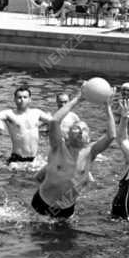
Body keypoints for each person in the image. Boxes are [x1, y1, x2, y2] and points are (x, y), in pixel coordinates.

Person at [32, 89, 117, 219]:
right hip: (43, 202)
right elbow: (54, 121)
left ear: (88, 136)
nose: (80, 131)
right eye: (76, 128)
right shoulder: (58, 147)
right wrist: (78, 99)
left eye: (84, 129)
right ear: (67, 134)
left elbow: (111, 136)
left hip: (66, 207)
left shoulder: (90, 151)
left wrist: (107, 107)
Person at [0, 85, 51, 163]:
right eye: (19, 97)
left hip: (34, 160)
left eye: (25, 97)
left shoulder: (37, 113)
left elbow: (54, 121)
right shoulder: (9, 114)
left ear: (30, 99)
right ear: (14, 99)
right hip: (17, 160)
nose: (22, 100)